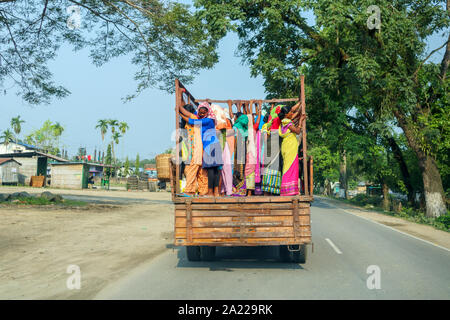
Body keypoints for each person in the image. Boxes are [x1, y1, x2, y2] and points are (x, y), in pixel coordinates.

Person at [179, 102, 223, 196]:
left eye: (204, 112)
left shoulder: (208, 120)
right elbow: (189, 114)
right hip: (208, 146)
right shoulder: (200, 117)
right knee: (211, 170)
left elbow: (191, 121)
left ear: (207, 112)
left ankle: (212, 192)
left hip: (211, 146)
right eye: (200, 112)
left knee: (213, 170)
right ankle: (212, 192)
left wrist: (179, 111)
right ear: (198, 111)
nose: (202, 114)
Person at [178, 104, 208, 196]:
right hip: (195, 148)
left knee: (190, 169)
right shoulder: (194, 119)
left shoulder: (194, 117)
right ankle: (202, 191)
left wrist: (178, 109)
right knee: (199, 171)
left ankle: (189, 190)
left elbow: (184, 112)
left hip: (196, 149)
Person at [278, 104, 305, 196]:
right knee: (289, 168)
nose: (292, 113)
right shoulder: (286, 121)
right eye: (290, 112)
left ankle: (290, 190)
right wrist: (300, 121)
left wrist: (300, 105)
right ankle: (287, 190)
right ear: (286, 114)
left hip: (289, 146)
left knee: (291, 167)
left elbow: (294, 112)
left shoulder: (286, 120)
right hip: (289, 147)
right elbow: (297, 131)